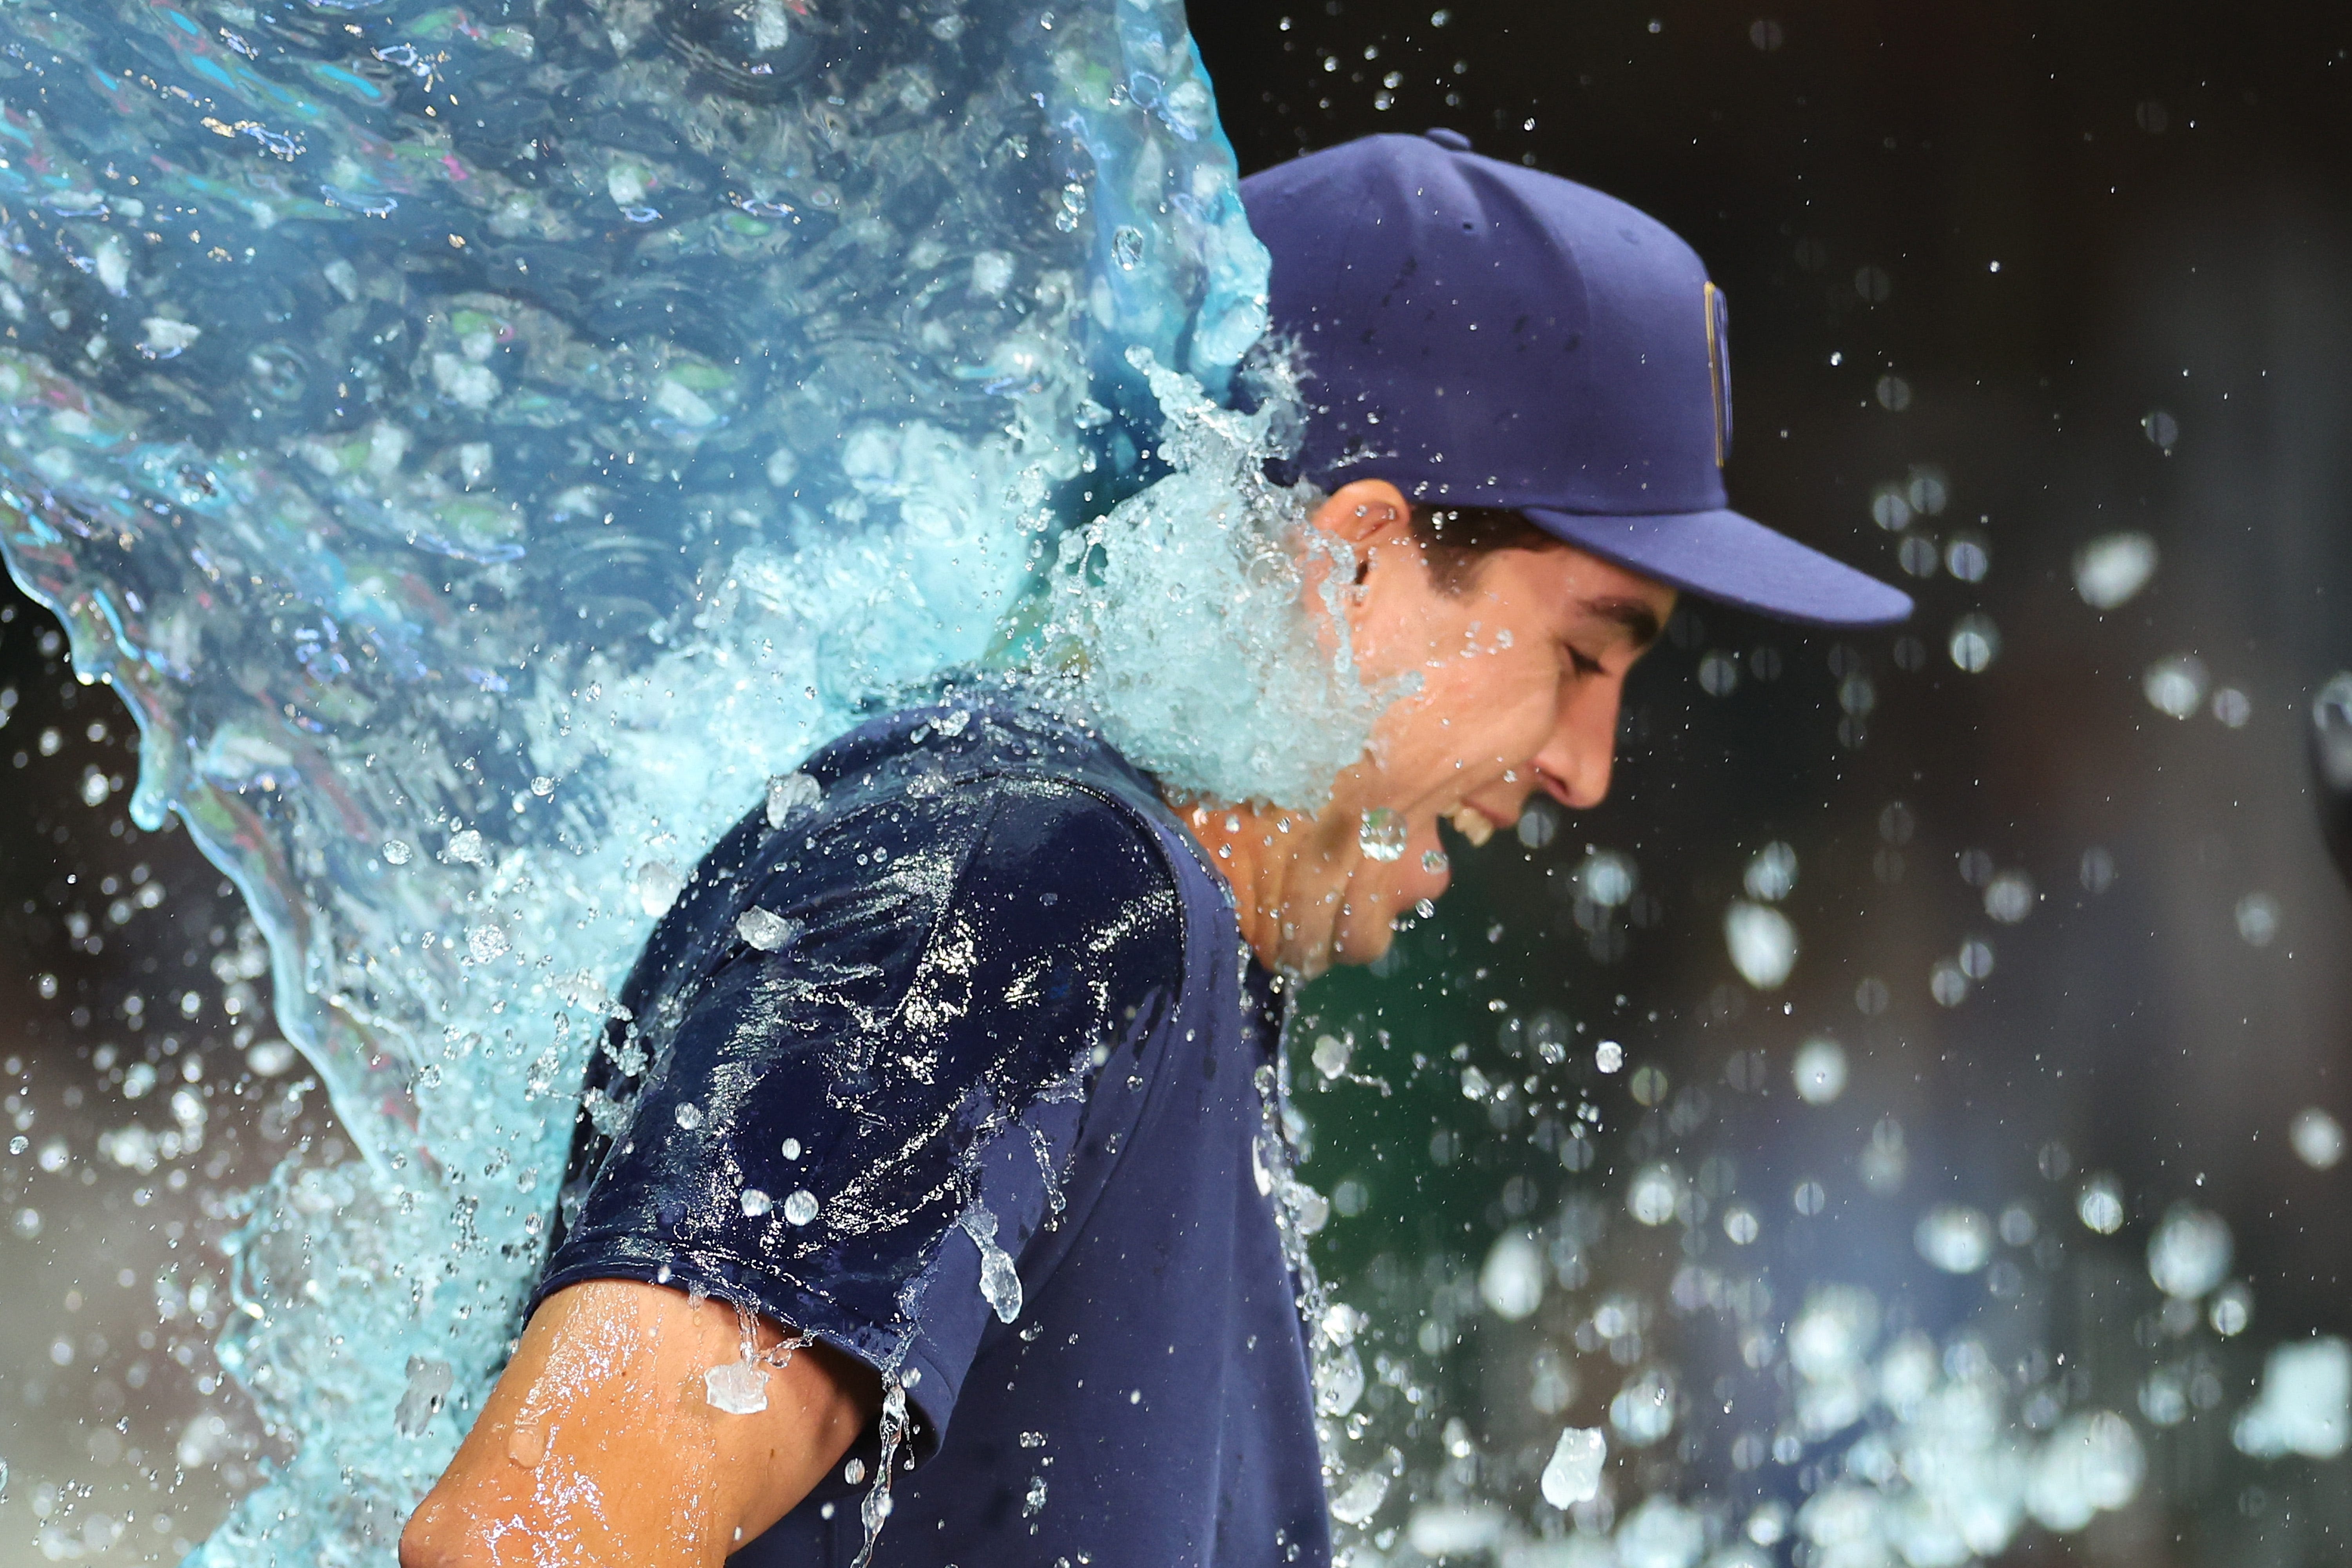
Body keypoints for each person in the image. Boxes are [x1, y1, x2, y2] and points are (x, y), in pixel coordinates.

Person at [400, 129, 1911, 1568]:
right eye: (1586, 655)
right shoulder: (1026, 875)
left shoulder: (1147, 931)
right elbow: (536, 1534)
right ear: (1355, 563)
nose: (1587, 770)